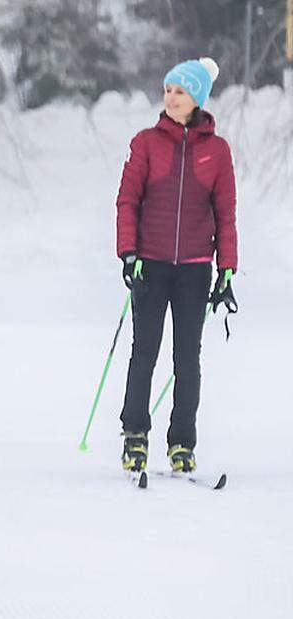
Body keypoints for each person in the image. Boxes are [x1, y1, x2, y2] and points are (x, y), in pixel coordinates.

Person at [116, 57, 237, 474]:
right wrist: (128, 253)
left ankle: (182, 443)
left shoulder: (217, 152)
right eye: (168, 89)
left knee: (187, 359)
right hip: (151, 265)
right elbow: (127, 200)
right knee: (144, 352)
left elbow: (226, 214)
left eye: (180, 91)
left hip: (195, 269)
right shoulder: (145, 143)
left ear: (197, 99)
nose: (170, 97)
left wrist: (227, 268)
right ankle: (134, 436)